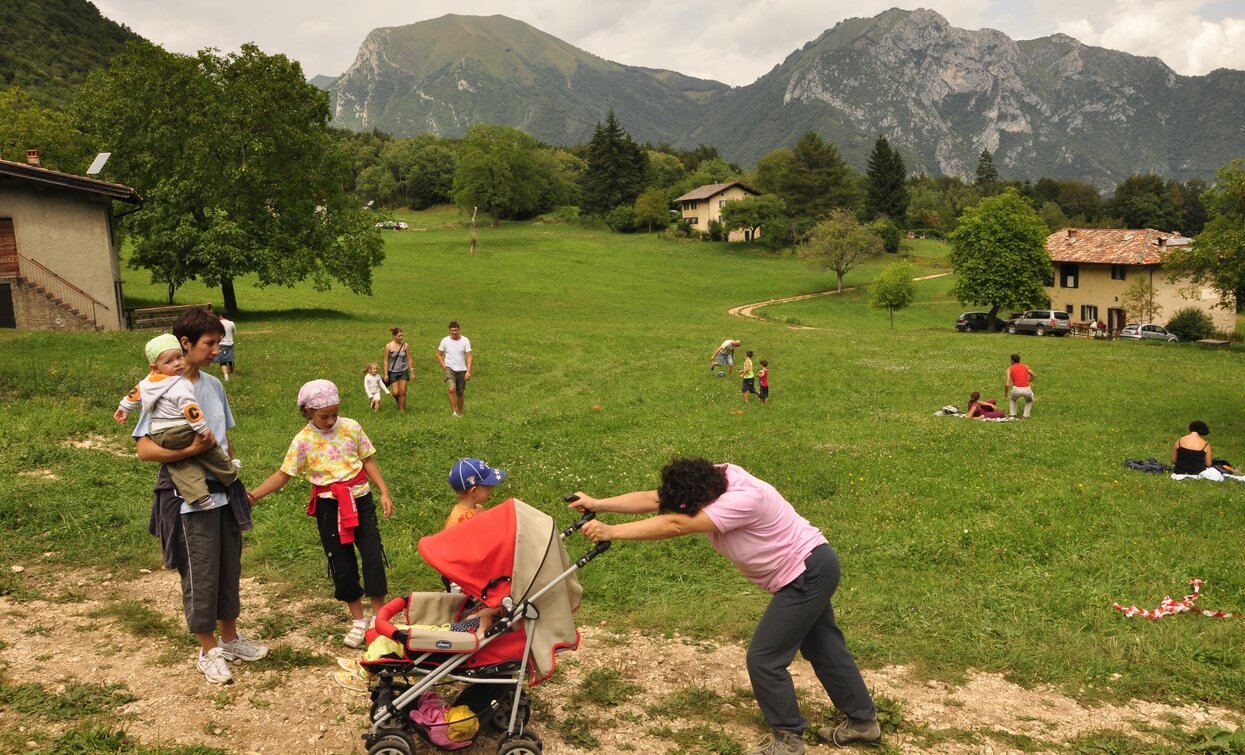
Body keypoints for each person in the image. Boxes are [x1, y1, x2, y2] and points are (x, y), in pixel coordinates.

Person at [572, 458, 880, 754]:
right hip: (812, 566)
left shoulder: (743, 499)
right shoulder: (714, 478)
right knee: (823, 646)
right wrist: (598, 503)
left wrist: (611, 531)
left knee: (764, 660)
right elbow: (658, 500)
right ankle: (863, 722)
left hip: (805, 573)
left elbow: (676, 524)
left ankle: (788, 741)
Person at [133, 308, 267, 685]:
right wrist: (188, 452)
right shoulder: (158, 388)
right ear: (185, 344)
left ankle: (230, 638)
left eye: (219, 342)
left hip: (223, 491)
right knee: (201, 572)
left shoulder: (214, 385)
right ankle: (207, 651)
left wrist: (230, 473)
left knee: (229, 566)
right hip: (189, 499)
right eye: (210, 343)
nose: (217, 350)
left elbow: (224, 436)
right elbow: (144, 450)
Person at [248, 379, 395, 649]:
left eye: (333, 415)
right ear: (307, 412)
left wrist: (384, 491)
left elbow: (368, 460)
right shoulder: (302, 441)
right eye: (323, 416)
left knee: (373, 554)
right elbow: (283, 474)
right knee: (341, 561)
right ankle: (358, 620)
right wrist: (255, 494)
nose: (329, 421)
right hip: (329, 506)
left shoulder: (351, 427)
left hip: (359, 498)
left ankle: (378, 616)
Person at [115, 333, 239, 506]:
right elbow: (191, 410)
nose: (177, 363)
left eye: (179, 358)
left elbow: (135, 392)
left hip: (161, 434)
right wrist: (203, 429)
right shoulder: (178, 384)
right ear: (155, 366)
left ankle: (199, 495)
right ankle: (229, 473)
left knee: (182, 464)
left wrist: (124, 408)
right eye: (169, 361)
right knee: (210, 448)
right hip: (180, 430)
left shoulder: (149, 381)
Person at [445, 457, 506, 529]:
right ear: (474, 491)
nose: (491, 488)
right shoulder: (455, 522)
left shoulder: (479, 508)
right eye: (488, 486)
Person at [436, 321, 473, 417]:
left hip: (461, 369)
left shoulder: (465, 340)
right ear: (449, 331)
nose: (454, 332)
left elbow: (469, 356)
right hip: (450, 368)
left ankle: (460, 412)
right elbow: (439, 355)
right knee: (451, 389)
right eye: (452, 330)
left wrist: (468, 371)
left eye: (456, 330)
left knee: (460, 392)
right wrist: (445, 367)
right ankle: (454, 412)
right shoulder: (445, 341)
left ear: (459, 330)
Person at [382, 327, 413, 412]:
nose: (401, 337)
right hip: (393, 372)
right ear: (394, 336)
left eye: (402, 336)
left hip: (404, 370)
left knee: (402, 392)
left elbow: (409, 359)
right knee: (395, 393)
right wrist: (385, 374)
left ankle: (401, 410)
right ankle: (398, 402)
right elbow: (386, 360)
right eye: (399, 336)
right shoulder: (388, 346)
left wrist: (412, 371)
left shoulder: (405, 345)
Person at [1005, 353, 1036, 418]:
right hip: (1027, 388)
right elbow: (1034, 375)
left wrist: (1006, 393)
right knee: (1029, 401)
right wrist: (1028, 381)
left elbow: (1007, 383)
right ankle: (1026, 415)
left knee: (1013, 399)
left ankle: (1013, 414)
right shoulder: (1025, 367)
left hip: (1016, 389)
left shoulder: (1009, 369)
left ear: (1012, 361)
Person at [213, 310, 237, 381]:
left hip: (221, 344)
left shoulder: (217, 323)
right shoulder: (231, 323)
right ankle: (232, 373)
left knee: (222, 361)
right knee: (230, 359)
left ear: (220, 316)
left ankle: (226, 376)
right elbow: (234, 332)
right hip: (230, 344)